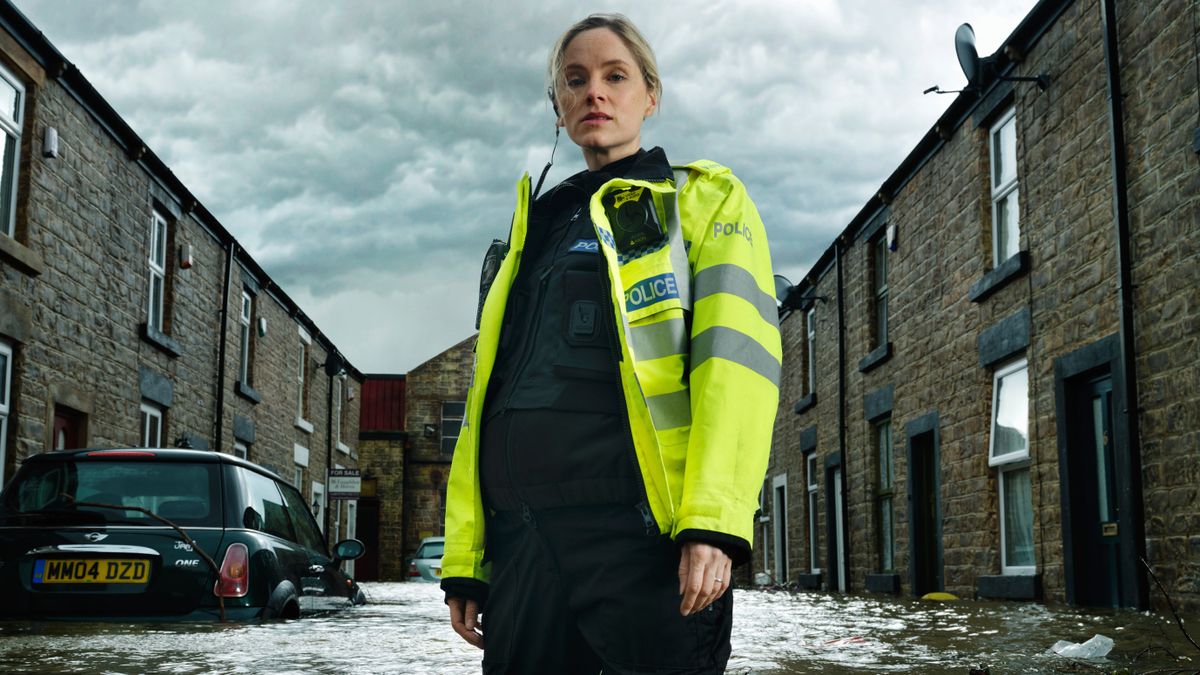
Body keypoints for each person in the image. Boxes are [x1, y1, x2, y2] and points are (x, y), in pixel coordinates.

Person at [441, 13, 781, 674]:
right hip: (526, 542)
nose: (594, 91)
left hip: (640, 542)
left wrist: (712, 524)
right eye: (576, 80)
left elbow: (736, 370)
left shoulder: (703, 203)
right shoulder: (526, 236)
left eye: (614, 76)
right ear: (559, 107)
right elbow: (486, 401)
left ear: (650, 96)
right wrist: (468, 561)